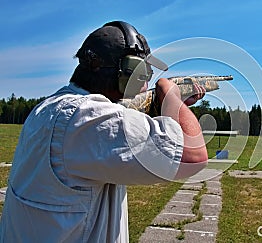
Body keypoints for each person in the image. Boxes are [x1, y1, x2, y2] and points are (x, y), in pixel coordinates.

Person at [0, 21, 208, 242]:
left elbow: (126, 127)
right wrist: (171, 94)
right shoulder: (85, 117)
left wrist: (164, 106)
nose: (147, 80)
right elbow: (192, 155)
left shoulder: (50, 109)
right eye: (144, 71)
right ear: (127, 72)